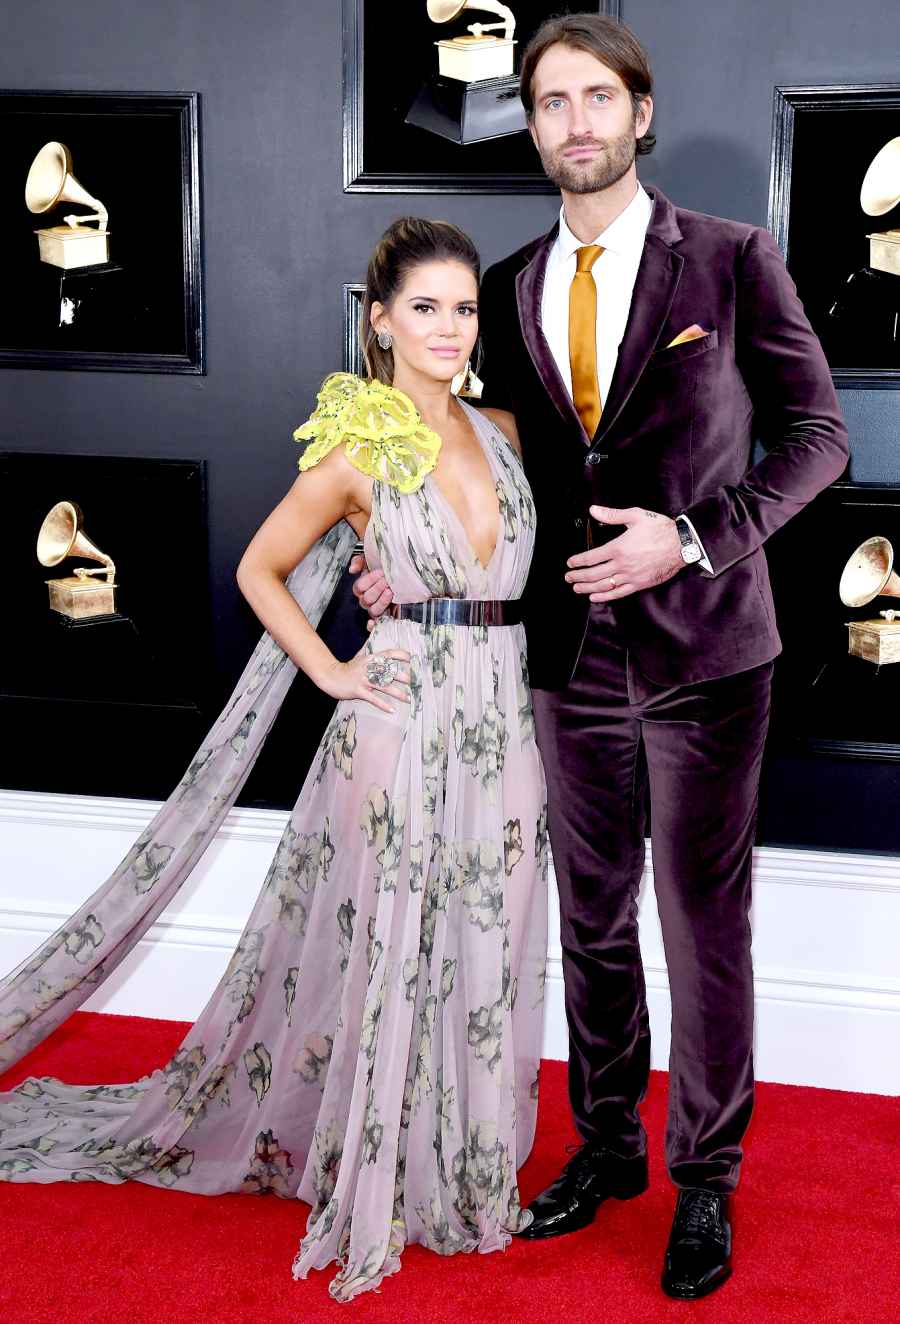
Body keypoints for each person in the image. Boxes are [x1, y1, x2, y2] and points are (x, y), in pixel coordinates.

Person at [352, 13, 850, 1302]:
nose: (574, 121)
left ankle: (706, 1181)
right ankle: (607, 1148)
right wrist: (390, 563)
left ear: (639, 112)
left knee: (701, 926)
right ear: (533, 126)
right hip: (559, 661)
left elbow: (819, 440)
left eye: (595, 97)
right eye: (549, 101)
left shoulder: (736, 262)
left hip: (707, 657)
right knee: (588, 924)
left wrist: (691, 538)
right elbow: (469, 456)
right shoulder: (507, 286)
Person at [0, 218, 549, 1303]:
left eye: (466, 307)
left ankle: (463, 1166)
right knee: (392, 947)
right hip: (397, 728)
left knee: (489, 944)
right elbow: (260, 568)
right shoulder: (358, 446)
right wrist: (336, 673)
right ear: (379, 319)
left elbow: (496, 574)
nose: (448, 328)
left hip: (503, 725)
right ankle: (381, 1175)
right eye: (425, 308)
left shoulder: (505, 431)